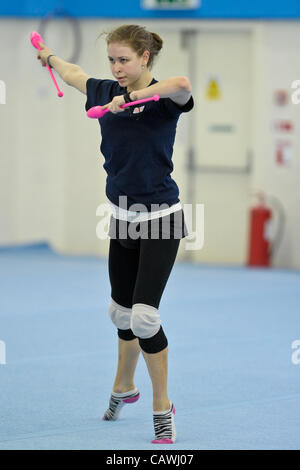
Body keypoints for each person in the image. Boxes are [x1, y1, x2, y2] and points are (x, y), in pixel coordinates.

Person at [37, 24, 194, 444]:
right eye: (111, 59)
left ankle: (163, 408)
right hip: (122, 217)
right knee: (119, 314)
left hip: (162, 217)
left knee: (145, 317)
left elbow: (182, 83)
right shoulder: (103, 91)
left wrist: (132, 99)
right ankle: (125, 386)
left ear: (145, 58)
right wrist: (49, 56)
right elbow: (72, 73)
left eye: (124, 59)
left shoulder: (164, 99)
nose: (116, 67)